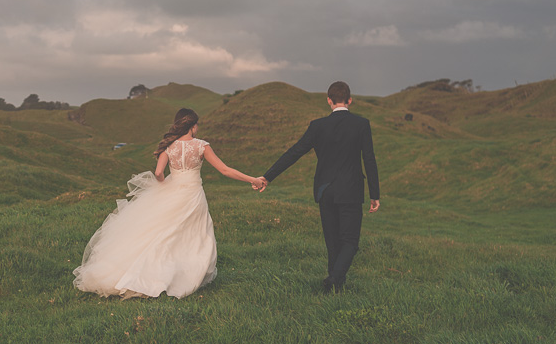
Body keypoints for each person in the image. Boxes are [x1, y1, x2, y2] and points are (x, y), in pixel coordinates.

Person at [73, 108, 263, 299]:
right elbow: (224, 170)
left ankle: (155, 272)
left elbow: (157, 173)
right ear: (193, 126)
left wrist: (164, 184)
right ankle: (185, 273)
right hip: (193, 193)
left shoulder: (168, 146)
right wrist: (252, 180)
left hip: (173, 190)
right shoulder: (201, 146)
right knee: (195, 234)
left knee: (164, 232)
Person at [255, 81, 380, 294]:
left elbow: (294, 152)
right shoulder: (361, 124)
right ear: (350, 100)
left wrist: (268, 176)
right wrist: (375, 195)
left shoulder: (317, 126)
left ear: (329, 101)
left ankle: (334, 287)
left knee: (332, 242)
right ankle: (333, 281)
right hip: (350, 190)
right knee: (350, 241)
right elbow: (369, 159)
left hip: (325, 191)